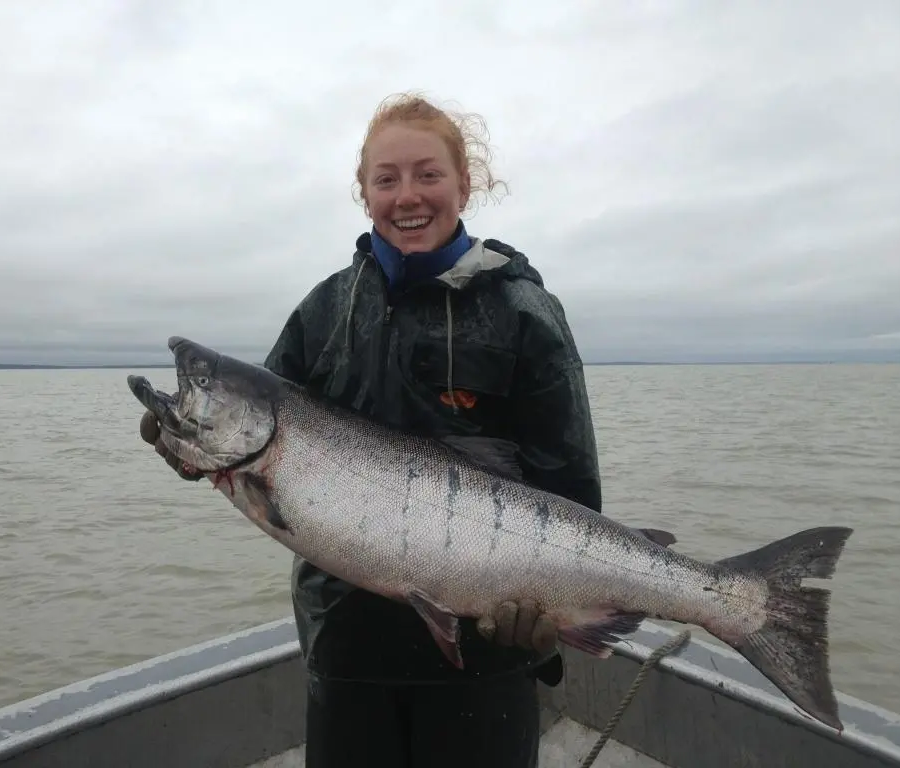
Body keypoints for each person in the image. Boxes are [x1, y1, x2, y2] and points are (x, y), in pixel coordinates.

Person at [139, 92, 603, 768]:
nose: (407, 196)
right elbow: (247, 442)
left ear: (464, 185)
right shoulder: (326, 309)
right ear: (364, 194)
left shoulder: (525, 312)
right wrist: (187, 448)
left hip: (489, 652)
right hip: (348, 650)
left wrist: (547, 621)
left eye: (428, 174)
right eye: (386, 179)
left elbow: (571, 489)